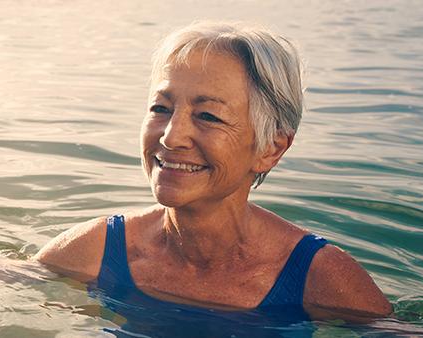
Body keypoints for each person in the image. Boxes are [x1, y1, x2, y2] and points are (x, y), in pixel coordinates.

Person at [34, 21, 392, 325]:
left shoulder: (319, 278)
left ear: (272, 148)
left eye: (208, 116)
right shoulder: (99, 250)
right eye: (161, 108)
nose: (172, 137)